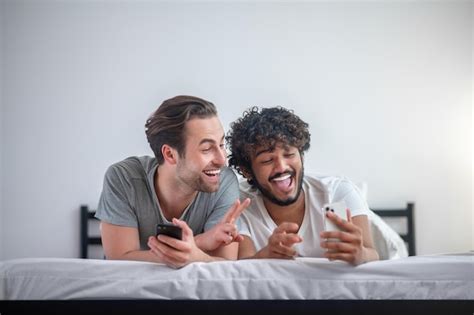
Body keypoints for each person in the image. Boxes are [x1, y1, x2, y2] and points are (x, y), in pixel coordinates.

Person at [95, 95, 249, 268]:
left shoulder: (223, 181)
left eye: (221, 145)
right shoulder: (124, 178)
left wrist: (193, 253)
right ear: (169, 154)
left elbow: (227, 266)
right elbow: (118, 262)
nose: (222, 161)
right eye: (206, 149)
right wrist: (201, 244)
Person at [226, 106, 379, 265]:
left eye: (289, 154)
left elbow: (372, 255)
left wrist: (359, 254)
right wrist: (266, 255)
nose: (282, 167)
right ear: (247, 171)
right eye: (267, 160)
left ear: (302, 157)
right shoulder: (240, 202)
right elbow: (242, 267)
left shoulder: (335, 193)